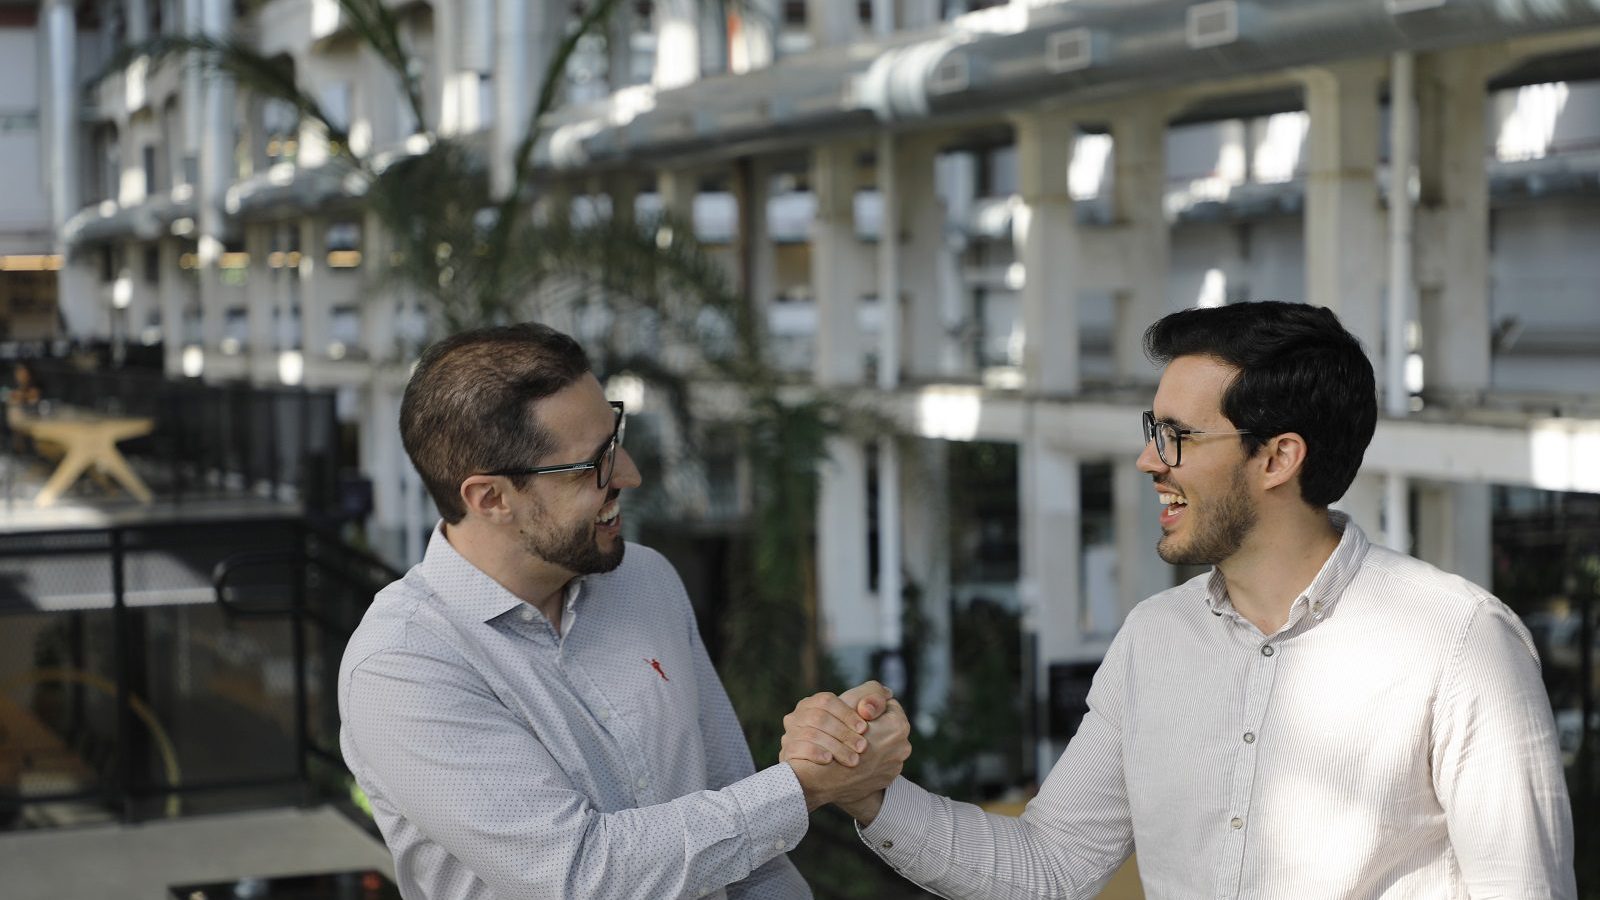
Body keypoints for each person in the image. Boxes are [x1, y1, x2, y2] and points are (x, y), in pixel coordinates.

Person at [782, 301, 1575, 898]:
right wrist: (872, 795)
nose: (1147, 460)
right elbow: (1050, 865)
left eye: (1178, 437)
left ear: (1278, 458)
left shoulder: (1459, 640)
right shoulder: (1154, 638)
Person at [338, 323, 910, 900]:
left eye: (617, 439)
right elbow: (582, 876)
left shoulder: (645, 579)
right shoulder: (402, 667)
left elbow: (747, 844)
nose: (629, 474)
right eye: (593, 466)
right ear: (491, 499)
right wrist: (804, 788)